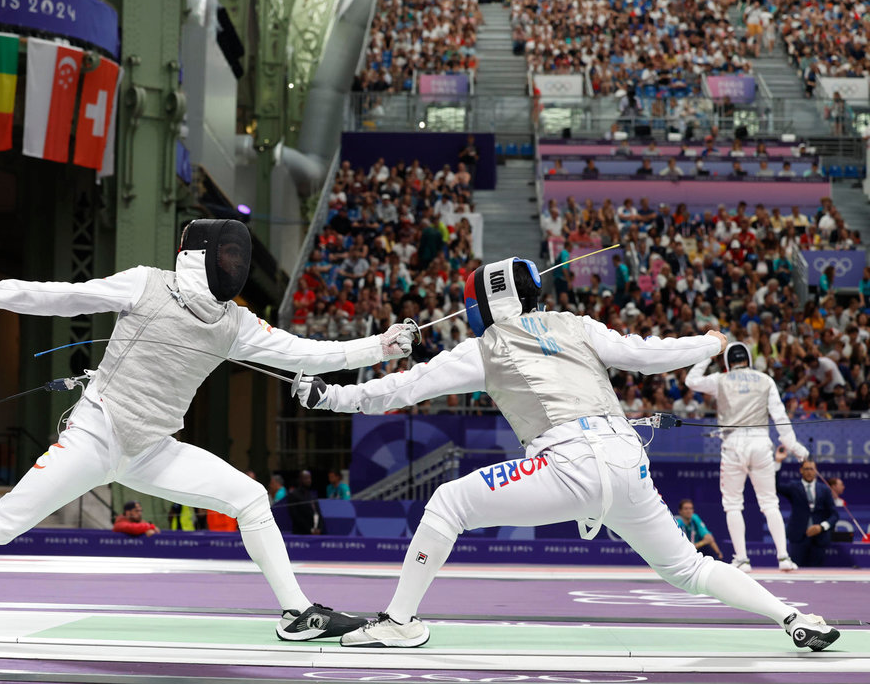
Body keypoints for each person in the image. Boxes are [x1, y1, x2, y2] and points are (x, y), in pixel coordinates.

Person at [0, 219, 415, 642]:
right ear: (199, 257)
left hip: (152, 450)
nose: (234, 265)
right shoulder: (145, 284)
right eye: (226, 255)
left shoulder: (235, 324)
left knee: (249, 497)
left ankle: (296, 613)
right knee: (2, 524)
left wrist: (380, 346)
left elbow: (308, 352)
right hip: (95, 435)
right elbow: (65, 296)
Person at [294, 256, 838, 651]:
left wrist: (330, 395)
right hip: (627, 462)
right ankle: (792, 616)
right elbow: (645, 356)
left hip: (564, 463)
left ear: (487, 303)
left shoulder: (483, 349)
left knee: (447, 504)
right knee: (690, 568)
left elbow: (402, 388)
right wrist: (709, 343)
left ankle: (399, 621)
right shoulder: (579, 327)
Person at [685, 342, 806, 572]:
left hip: (734, 445)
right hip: (761, 443)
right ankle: (783, 557)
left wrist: (709, 353)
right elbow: (780, 418)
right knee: (769, 502)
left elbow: (691, 380)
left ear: (729, 362)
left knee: (733, 504)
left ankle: (742, 559)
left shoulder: (720, 379)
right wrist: (798, 449)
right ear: (749, 359)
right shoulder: (765, 380)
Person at [775, 455, 837, 568]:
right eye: (806, 469)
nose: (809, 472)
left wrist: (821, 527)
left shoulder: (825, 489)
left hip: (819, 538)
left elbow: (834, 515)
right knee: (795, 569)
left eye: (812, 469)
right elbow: (776, 486)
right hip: (798, 537)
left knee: (816, 573)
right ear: (801, 470)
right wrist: (778, 463)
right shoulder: (793, 487)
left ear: (816, 471)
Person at [285, 470, 322, 535]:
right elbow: (295, 516)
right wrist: (310, 529)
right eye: (306, 478)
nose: (309, 480)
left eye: (309, 478)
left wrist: (319, 528)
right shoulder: (293, 495)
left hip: (316, 533)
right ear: (300, 480)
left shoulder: (312, 495)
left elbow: (318, 513)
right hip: (301, 534)